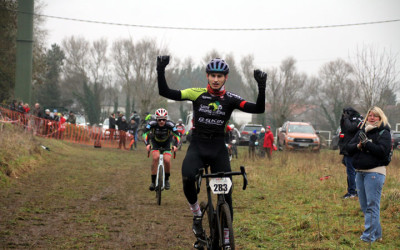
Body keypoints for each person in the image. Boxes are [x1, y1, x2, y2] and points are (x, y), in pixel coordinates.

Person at [157, 55, 266, 243]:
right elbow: (165, 91)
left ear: (226, 78)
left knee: (226, 194)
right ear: (207, 76)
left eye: (220, 76)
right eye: (213, 75)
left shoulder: (231, 99)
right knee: (188, 177)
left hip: (218, 149)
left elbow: (258, 109)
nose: (216, 79)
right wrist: (160, 70)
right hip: (198, 146)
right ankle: (197, 214)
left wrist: (261, 87)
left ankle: (225, 238)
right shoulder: (196, 93)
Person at [346, 106, 391, 243]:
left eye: (375, 116)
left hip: (375, 173)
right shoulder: (361, 131)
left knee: (372, 205)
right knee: (365, 207)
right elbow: (349, 147)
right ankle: (376, 234)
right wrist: (359, 145)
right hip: (359, 172)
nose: (371, 118)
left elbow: (382, 151)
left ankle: (367, 238)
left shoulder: (384, 132)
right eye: (370, 115)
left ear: (380, 117)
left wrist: (367, 144)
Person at [142, 108, 180, 191]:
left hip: (167, 143)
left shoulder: (170, 125)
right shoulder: (151, 124)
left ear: (166, 119)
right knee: (155, 158)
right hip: (155, 142)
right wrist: (147, 144)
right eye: (159, 120)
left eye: (163, 119)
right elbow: (145, 133)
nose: (161, 121)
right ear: (156, 119)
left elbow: (177, 136)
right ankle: (153, 182)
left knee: (167, 160)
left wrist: (175, 145)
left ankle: (166, 180)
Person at [338, 107, 364, 199]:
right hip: (348, 147)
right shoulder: (353, 118)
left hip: (352, 148)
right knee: (351, 168)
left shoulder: (356, 119)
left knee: (351, 171)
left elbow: (350, 128)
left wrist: (346, 118)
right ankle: (354, 190)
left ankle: (352, 192)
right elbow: (343, 128)